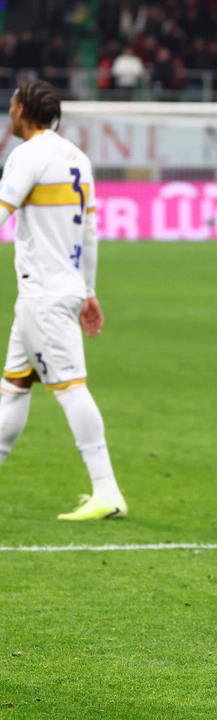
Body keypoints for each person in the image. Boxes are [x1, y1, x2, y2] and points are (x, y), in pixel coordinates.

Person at [0, 80, 127, 521]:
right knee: (14, 386)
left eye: (11, 104)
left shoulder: (27, 155)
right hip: (61, 288)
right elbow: (89, 233)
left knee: (71, 388)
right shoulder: (77, 157)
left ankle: (106, 490)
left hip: (43, 294)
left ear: (22, 110)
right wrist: (88, 291)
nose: (9, 111)